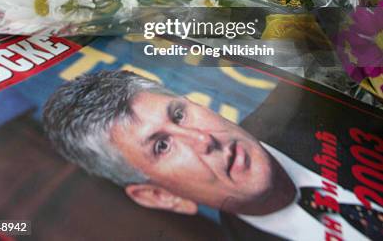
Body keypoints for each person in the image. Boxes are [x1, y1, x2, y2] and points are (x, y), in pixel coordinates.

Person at [43, 70, 382, 240]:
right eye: (162, 145)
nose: (203, 139)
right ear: (159, 195)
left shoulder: (309, 99)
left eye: (179, 115)